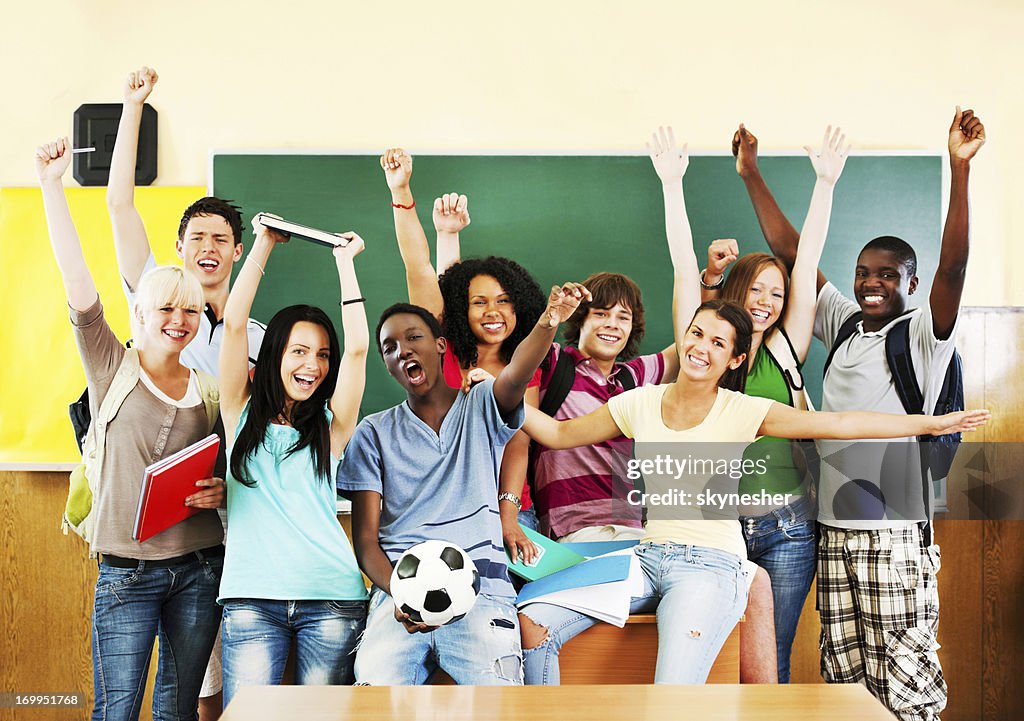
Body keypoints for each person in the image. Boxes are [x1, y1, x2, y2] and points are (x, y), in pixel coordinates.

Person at [516, 128, 989, 687]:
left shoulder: (746, 402)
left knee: (738, 672)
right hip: (649, 554)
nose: (701, 347)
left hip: (755, 540)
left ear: (734, 355)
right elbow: (552, 431)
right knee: (532, 624)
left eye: (718, 344)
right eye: (696, 335)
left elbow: (836, 419)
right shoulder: (639, 399)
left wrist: (931, 423)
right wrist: (496, 390)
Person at [735, 109, 985, 719]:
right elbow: (792, 252)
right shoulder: (843, 323)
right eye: (863, 273)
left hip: (893, 525)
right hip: (832, 526)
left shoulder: (925, 334)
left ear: (912, 282)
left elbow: (954, 266)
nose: (872, 283)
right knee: (843, 672)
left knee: (902, 671)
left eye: (888, 276)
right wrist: (750, 174)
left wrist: (959, 168)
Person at [38, 137, 227, 721]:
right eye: (166, 309)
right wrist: (51, 186)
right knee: (115, 710)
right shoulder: (109, 365)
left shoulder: (211, 390)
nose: (178, 321)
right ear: (140, 311)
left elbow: (225, 469)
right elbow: (77, 281)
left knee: (176, 713)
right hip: (126, 572)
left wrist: (221, 489)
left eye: (190, 311)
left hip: (199, 568)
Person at [106, 67, 265, 719]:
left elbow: (260, 426)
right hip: (154, 517)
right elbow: (119, 203)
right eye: (196, 237)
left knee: (219, 662)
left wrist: (236, 486)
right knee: (174, 678)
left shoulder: (257, 336)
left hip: (235, 513)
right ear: (177, 249)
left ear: (236, 254)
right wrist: (133, 105)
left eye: (220, 240)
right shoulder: (156, 300)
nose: (207, 247)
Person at [337, 280, 590, 685]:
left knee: (497, 704)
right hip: (397, 600)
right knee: (375, 704)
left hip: (483, 595)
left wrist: (549, 320)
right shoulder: (374, 431)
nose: (402, 349)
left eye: (414, 337)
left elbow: (517, 373)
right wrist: (401, 594)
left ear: (440, 346)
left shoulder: (482, 404)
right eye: (389, 347)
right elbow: (366, 539)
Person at [697, 125, 851, 682]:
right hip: (716, 528)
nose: (766, 302)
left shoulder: (788, 349)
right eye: (757, 289)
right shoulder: (708, 352)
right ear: (735, 292)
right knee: (717, 662)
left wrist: (825, 183)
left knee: (771, 662)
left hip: (787, 527)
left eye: (777, 294)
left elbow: (806, 256)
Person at [216, 218, 369, 706]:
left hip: (331, 599)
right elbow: (235, 322)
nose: (313, 366)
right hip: (249, 600)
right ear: (274, 354)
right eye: (299, 351)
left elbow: (361, 348)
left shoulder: (332, 426)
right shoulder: (238, 411)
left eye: (322, 355)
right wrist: (262, 246)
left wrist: (345, 265)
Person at [379, 150, 547, 556]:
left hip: (508, 512)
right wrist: (401, 191)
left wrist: (508, 520)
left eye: (505, 301)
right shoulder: (443, 354)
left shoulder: (523, 366)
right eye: (479, 303)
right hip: (439, 510)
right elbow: (418, 268)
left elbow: (518, 443)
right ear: (459, 310)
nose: (494, 313)